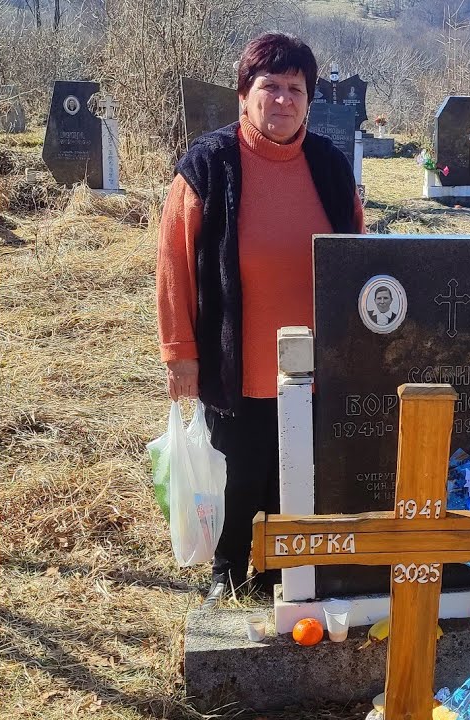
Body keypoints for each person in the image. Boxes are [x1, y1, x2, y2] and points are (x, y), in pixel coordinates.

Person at [157, 32, 365, 606]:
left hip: (315, 364)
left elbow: (358, 254)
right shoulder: (209, 163)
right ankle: (228, 568)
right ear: (243, 96)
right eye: (268, 87)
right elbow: (174, 259)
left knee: (293, 472)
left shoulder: (327, 164)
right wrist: (180, 353)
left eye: (294, 88)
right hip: (236, 359)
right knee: (237, 470)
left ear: (309, 97)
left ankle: (282, 567)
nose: (281, 100)